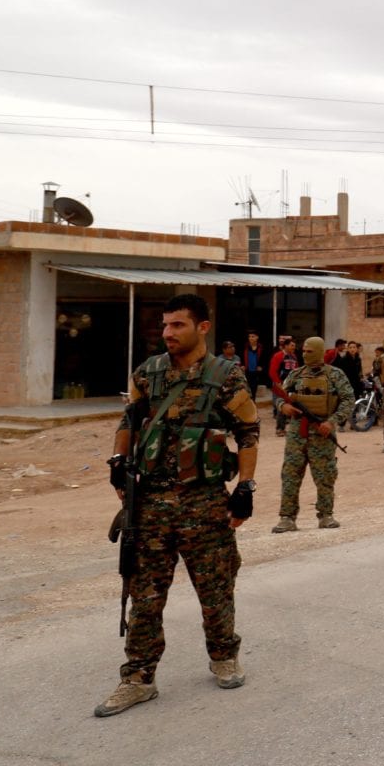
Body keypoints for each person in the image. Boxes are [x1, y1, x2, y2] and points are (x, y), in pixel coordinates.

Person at [95, 294, 259, 718]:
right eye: (165, 325)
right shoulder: (148, 372)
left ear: (202, 327)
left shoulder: (226, 376)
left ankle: (224, 655)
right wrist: (118, 462)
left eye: (177, 325)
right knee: (144, 597)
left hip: (204, 503)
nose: (167, 333)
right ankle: (137, 678)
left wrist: (246, 487)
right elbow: (128, 420)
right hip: (148, 505)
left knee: (216, 589)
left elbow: (248, 432)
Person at [271, 337, 355, 533]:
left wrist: (332, 421)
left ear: (318, 352)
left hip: (322, 435)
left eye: (309, 351)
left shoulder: (335, 375)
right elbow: (280, 396)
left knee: (325, 476)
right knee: (290, 475)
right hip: (296, 435)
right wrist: (284, 407)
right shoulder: (296, 374)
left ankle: (326, 515)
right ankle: (287, 518)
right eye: (304, 351)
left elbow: (348, 399)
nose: (304, 354)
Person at [269, 337, 298, 437]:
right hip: (280, 386)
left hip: (290, 386)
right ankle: (279, 429)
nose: (294, 347)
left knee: (290, 406)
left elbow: (296, 371)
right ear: (285, 346)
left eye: (294, 345)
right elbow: (272, 371)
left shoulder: (294, 357)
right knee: (281, 407)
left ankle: (287, 428)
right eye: (292, 345)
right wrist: (278, 383)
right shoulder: (278, 356)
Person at [334, 340, 363, 431]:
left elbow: (359, 372)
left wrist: (361, 378)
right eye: (350, 347)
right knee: (345, 404)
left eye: (354, 347)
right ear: (348, 349)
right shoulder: (344, 360)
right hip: (346, 385)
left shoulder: (358, 359)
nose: (352, 349)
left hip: (356, 385)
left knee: (356, 404)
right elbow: (340, 373)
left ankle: (353, 423)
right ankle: (341, 424)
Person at [242, 331, 264, 396]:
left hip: (256, 371)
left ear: (257, 337)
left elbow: (265, 359)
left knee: (253, 389)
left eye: (253, 336)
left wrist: (261, 366)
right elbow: (241, 357)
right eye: (249, 337)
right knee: (246, 388)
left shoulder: (261, 347)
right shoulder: (245, 347)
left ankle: (253, 403)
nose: (250, 338)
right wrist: (242, 365)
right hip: (247, 370)